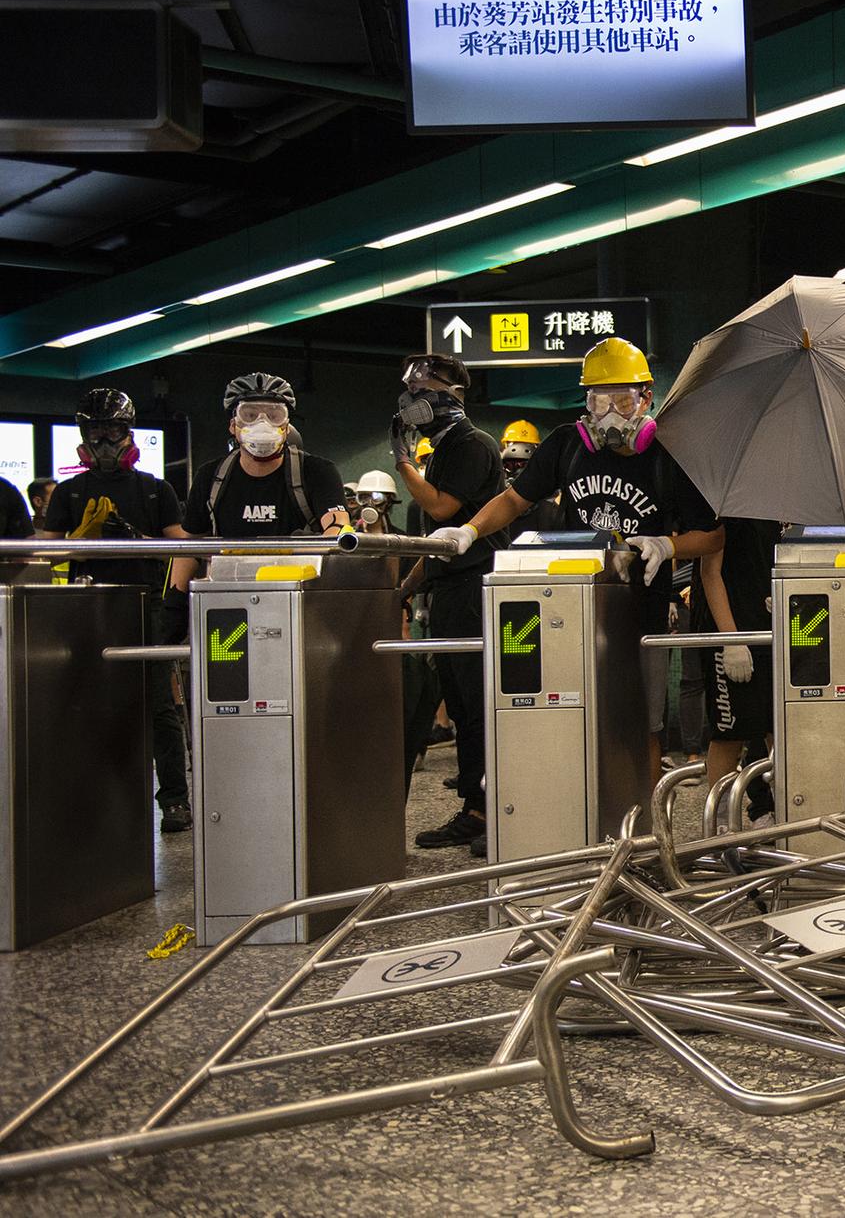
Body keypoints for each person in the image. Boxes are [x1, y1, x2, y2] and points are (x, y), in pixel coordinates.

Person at [432, 339, 722, 789]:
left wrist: (668, 545)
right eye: (596, 400)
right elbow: (514, 498)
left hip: (640, 616)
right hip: (570, 611)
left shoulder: (671, 454)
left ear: (646, 397)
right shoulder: (568, 445)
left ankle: (641, 830)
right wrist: (470, 530)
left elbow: (713, 535)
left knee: (640, 728)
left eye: (621, 399)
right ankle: (578, 819)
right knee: (571, 714)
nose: (608, 413)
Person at [39, 388, 192, 832]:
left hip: (146, 607)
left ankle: (174, 801)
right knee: (89, 703)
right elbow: (46, 553)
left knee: (159, 707)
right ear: (85, 435)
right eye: (97, 431)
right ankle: (97, 794)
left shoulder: (153, 489)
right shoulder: (70, 492)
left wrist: (143, 543)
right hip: (88, 608)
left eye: (115, 431)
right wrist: (77, 542)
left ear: (129, 434)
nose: (106, 441)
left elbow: (185, 544)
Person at [387, 353, 506, 851]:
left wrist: (403, 462)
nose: (414, 398)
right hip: (448, 590)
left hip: (474, 589)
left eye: (423, 388)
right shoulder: (443, 450)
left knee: (478, 704)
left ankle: (486, 811)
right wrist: (405, 590)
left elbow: (441, 508)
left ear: (450, 392)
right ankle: (475, 805)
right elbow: (435, 542)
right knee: (459, 705)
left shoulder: (470, 445)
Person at [173, 374, 348, 547]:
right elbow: (189, 548)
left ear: (286, 426)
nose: (262, 424)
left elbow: (338, 526)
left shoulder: (317, 472)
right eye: (249, 415)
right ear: (233, 425)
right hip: (228, 573)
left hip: (299, 573)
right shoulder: (209, 477)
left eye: (274, 415)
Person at [696, 516, 782, 812]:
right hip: (731, 633)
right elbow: (710, 572)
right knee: (728, 733)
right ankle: (718, 828)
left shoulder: (785, 508)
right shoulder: (727, 505)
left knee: (780, 729)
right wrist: (730, 639)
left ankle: (786, 817)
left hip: (772, 630)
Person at [498, 418, 565, 539]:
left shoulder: (549, 504)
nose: (519, 468)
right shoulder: (498, 496)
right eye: (513, 464)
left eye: (524, 464)